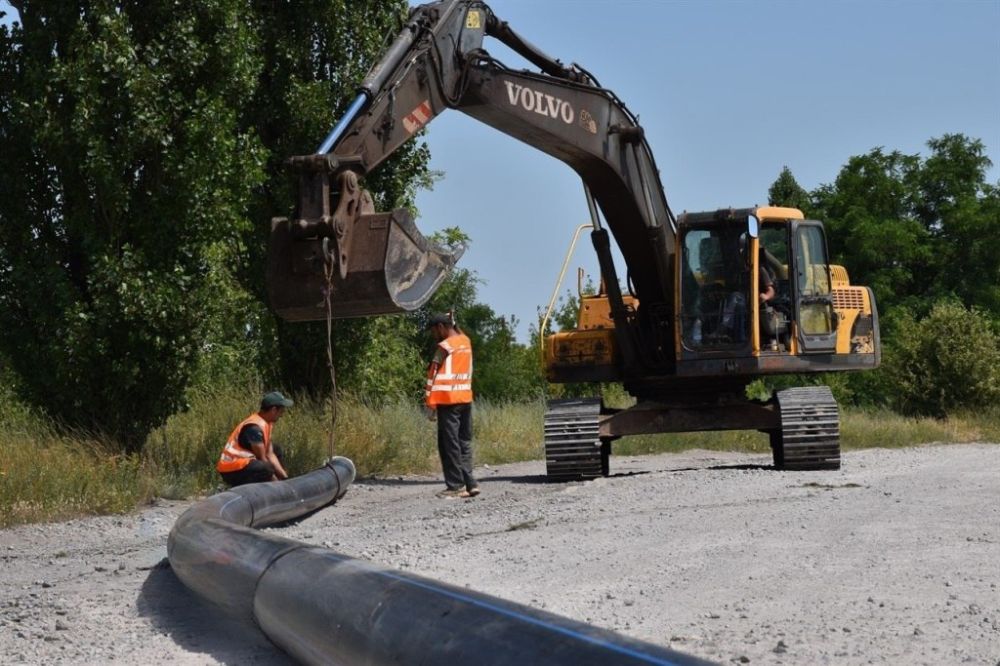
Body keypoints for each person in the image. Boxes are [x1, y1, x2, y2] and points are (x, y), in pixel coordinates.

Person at [425, 312, 480, 499]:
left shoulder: (444, 347)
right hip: (465, 398)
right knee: (463, 443)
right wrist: (454, 321)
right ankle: (470, 483)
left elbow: (432, 374)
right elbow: (458, 331)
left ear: (441, 327)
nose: (434, 336)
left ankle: (456, 486)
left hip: (447, 400)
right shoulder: (466, 342)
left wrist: (429, 404)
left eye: (434, 331)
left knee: (449, 445)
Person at [216, 391, 293, 487]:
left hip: (243, 465)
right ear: (273, 410)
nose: (282, 414)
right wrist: (277, 486)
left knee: (276, 449)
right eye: (281, 411)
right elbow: (263, 458)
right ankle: (266, 489)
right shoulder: (254, 428)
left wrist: (286, 479)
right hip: (231, 469)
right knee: (265, 468)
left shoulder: (267, 423)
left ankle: (279, 483)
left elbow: (270, 453)